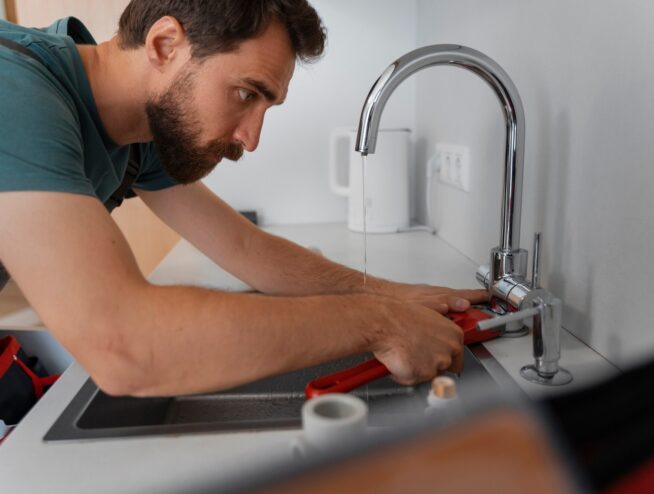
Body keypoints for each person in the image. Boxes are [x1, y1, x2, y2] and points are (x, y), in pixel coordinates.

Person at [0, 0, 487, 397]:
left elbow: (247, 249)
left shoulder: (135, 133)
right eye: (245, 94)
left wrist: (389, 294)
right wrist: (378, 322)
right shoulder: (14, 91)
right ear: (165, 44)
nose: (251, 139)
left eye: (265, 105)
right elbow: (123, 345)